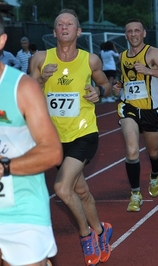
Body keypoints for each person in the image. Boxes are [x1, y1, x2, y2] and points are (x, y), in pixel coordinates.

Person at [29, 9, 113, 266]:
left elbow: (107, 85)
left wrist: (98, 91)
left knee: (61, 188)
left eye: (70, 24)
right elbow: (28, 92)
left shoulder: (91, 61)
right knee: (80, 190)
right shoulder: (40, 58)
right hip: (54, 138)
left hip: (84, 133)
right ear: (54, 33)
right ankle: (102, 230)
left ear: (78, 31)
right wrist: (42, 79)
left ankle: (85, 235)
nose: (65, 27)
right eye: (60, 24)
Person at [0, 6, 63, 266]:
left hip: (22, 211)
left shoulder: (22, 88)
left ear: (1, 40)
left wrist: (3, 166)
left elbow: (52, 151)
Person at [112, 19, 158, 212]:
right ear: (126, 35)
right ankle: (135, 194)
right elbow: (125, 81)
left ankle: (155, 173)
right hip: (129, 108)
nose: (133, 34)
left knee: (153, 152)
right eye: (129, 31)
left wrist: (147, 70)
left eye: (137, 31)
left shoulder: (152, 53)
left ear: (144, 33)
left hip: (151, 111)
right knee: (132, 151)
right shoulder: (122, 56)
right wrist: (118, 87)